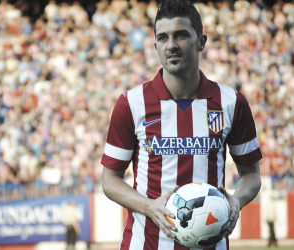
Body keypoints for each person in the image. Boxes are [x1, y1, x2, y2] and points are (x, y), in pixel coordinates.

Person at [101, 0, 262, 249]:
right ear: (155, 45)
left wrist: (236, 200)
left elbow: (251, 175)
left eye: (181, 35)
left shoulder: (231, 102)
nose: (171, 45)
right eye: (163, 38)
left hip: (212, 242)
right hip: (146, 243)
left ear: (201, 41)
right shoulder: (131, 103)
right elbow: (110, 180)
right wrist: (148, 206)